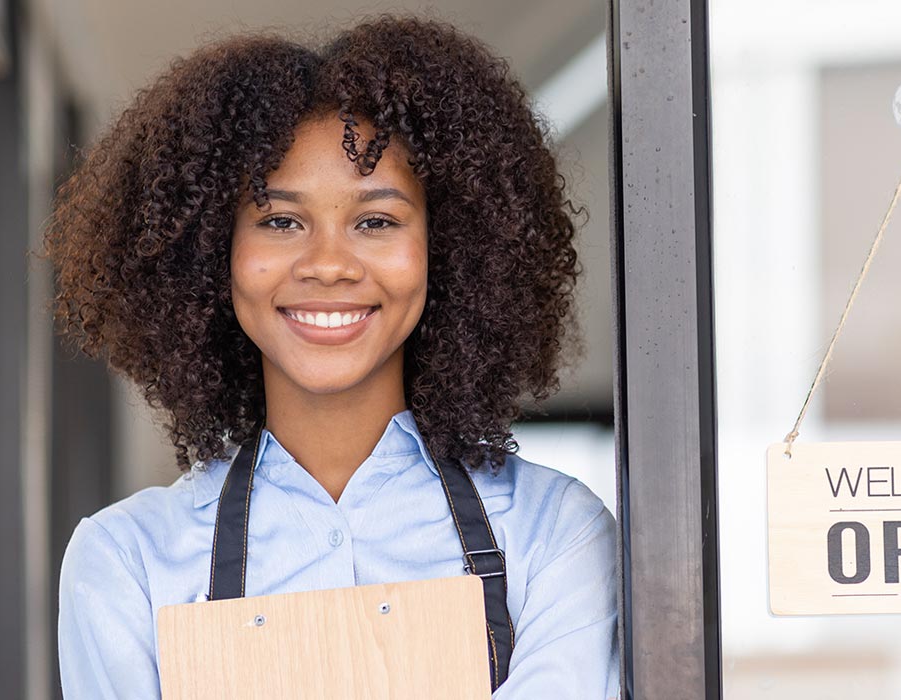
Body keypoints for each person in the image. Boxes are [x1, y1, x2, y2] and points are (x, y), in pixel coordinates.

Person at [44, 15, 618, 699]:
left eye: (375, 221)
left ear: (451, 249)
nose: (327, 264)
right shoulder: (125, 564)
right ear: (211, 255)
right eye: (280, 221)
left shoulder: (557, 536)